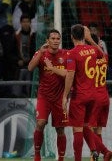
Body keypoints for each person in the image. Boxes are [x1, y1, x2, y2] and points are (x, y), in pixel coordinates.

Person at [62, 24, 105, 161]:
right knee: (87, 126)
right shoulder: (93, 50)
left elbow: (70, 75)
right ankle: (95, 151)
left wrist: (65, 96)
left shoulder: (71, 53)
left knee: (77, 130)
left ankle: (78, 159)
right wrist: (91, 39)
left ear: (71, 36)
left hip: (79, 96)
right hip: (93, 96)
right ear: (83, 36)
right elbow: (102, 54)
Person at [27, 29, 68, 161]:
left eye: (58, 38)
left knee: (60, 129)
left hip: (60, 97)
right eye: (53, 38)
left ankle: (61, 158)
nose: (56, 41)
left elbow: (69, 74)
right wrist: (40, 52)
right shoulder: (41, 54)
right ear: (47, 41)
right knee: (40, 123)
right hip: (44, 96)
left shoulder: (66, 55)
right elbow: (30, 68)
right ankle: (37, 154)